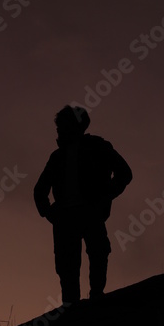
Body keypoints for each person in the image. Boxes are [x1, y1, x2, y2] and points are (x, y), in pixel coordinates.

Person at [34, 105, 132, 304]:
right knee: (67, 264)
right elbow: (39, 191)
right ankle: (72, 308)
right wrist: (50, 213)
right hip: (65, 218)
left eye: (63, 126)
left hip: (90, 212)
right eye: (59, 127)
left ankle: (96, 296)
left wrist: (104, 197)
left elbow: (124, 174)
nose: (59, 130)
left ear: (76, 126)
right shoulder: (57, 157)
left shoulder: (99, 147)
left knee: (98, 253)